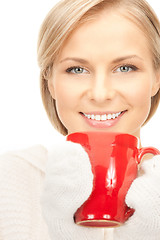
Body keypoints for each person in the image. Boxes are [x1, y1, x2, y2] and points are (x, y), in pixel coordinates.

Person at [0, 0, 160, 239]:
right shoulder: (13, 177)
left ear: (157, 78)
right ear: (50, 82)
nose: (100, 94)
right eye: (76, 69)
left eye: (125, 68)